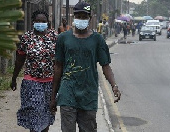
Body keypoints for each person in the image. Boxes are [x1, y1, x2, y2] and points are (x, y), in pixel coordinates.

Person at [50, 1, 121, 132]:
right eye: (78, 16)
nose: (81, 19)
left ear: (90, 18)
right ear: (73, 17)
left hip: (88, 94)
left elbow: (105, 66)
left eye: (84, 17)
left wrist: (114, 86)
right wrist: (53, 95)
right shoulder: (63, 38)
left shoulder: (97, 39)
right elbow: (58, 67)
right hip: (67, 93)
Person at [10, 10, 58, 132]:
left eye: (43, 21)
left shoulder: (54, 37)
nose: (40, 23)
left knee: (47, 113)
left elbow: (60, 61)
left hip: (50, 82)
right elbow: (20, 60)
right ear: (33, 22)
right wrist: (14, 78)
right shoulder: (27, 37)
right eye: (38, 21)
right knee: (35, 112)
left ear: (48, 23)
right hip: (31, 81)